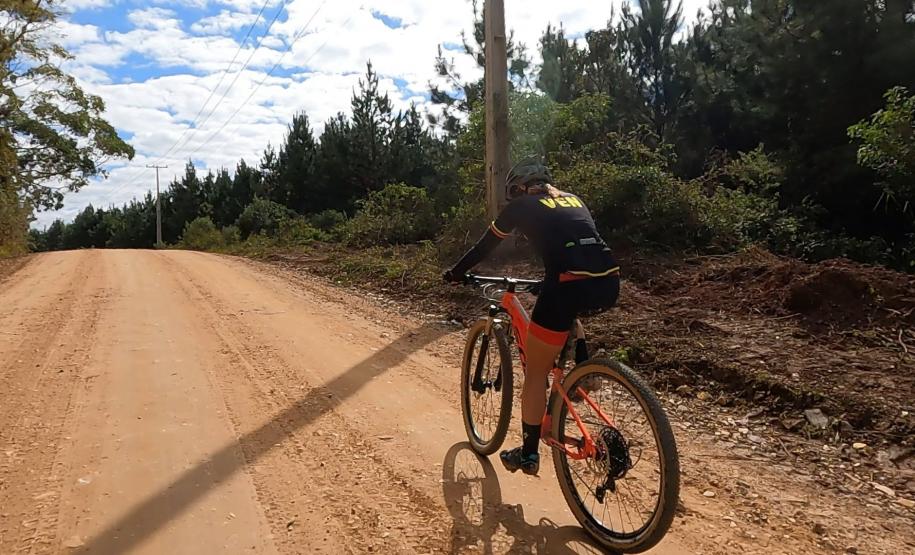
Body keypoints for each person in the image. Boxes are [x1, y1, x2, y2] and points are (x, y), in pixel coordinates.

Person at [443, 159, 620, 476]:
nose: (513, 198)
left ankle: (528, 453)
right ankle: (582, 370)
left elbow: (485, 246)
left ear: (521, 188)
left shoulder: (522, 206)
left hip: (566, 286)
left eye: (513, 192)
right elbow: (575, 243)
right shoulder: (572, 198)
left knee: (536, 372)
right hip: (608, 283)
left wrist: (457, 272)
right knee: (565, 313)